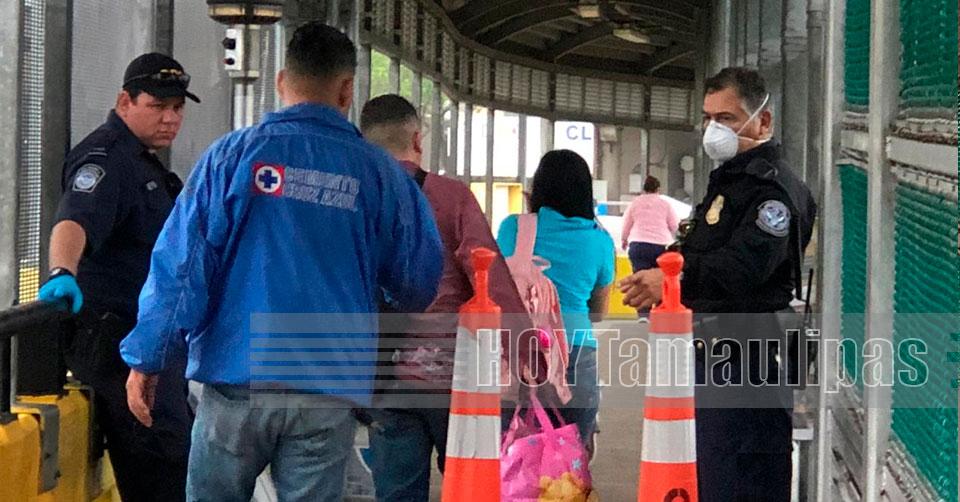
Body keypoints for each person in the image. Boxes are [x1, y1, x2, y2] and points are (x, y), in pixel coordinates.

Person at [118, 23, 443, 502]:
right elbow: (417, 279)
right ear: (347, 90)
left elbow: (182, 268)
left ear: (281, 82)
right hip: (327, 386)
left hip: (236, 378)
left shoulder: (231, 157)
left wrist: (149, 356)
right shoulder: (379, 174)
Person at [619, 67, 816, 501]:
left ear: (762, 121)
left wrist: (675, 278)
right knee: (709, 473)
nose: (714, 130)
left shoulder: (773, 192)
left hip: (747, 360)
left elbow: (745, 268)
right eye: (708, 118)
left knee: (738, 479)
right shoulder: (731, 182)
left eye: (726, 118)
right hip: (715, 356)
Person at [36, 52, 198, 501]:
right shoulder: (107, 159)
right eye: (158, 106)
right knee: (162, 463)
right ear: (125, 101)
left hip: (145, 341)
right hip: (115, 341)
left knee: (172, 460)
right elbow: (75, 219)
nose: (170, 119)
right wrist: (61, 272)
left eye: (177, 108)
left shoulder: (143, 162)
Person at [359, 94, 534, 501]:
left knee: (397, 493)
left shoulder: (356, 199)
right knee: (471, 488)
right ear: (417, 140)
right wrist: (527, 356)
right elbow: (490, 280)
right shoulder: (452, 197)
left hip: (382, 378)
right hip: (455, 379)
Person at [497, 150, 615, 456]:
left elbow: (499, 285)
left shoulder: (513, 228)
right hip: (576, 352)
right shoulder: (601, 241)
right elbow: (599, 312)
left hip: (521, 352)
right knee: (569, 461)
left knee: (513, 453)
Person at [621, 175, 679, 273]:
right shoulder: (665, 204)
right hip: (660, 247)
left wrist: (624, 240)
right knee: (657, 279)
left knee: (639, 278)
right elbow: (674, 226)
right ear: (658, 189)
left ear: (644, 189)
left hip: (638, 246)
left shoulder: (635, 203)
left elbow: (627, 223)